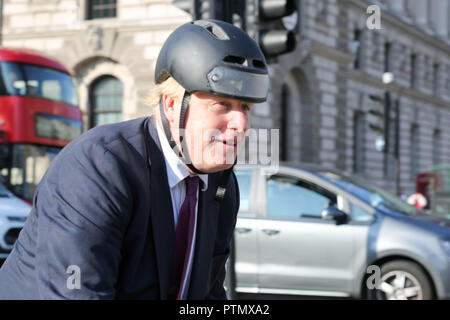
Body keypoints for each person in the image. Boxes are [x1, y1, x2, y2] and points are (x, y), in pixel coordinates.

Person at [0, 19, 269, 300]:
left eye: (246, 107)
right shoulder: (97, 167)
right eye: (222, 104)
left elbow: (207, 293)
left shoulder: (221, 184)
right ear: (172, 104)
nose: (241, 123)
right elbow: (80, 294)